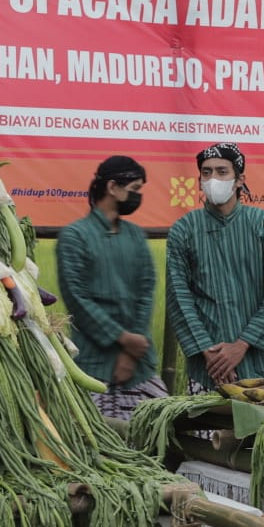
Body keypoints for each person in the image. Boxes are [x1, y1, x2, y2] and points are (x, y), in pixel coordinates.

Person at [165, 143, 264, 390]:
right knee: (206, 427)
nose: (213, 179)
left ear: (239, 180)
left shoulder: (263, 225)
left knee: (261, 429)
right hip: (207, 370)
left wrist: (242, 344)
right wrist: (210, 354)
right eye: (206, 173)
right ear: (199, 181)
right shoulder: (184, 230)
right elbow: (179, 298)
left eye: (222, 172)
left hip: (259, 364)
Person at [55, 156, 165, 420]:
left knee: (160, 432)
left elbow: (146, 291)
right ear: (113, 187)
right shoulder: (74, 236)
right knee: (95, 441)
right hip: (93, 362)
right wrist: (123, 338)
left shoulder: (135, 235)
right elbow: (77, 300)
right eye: (134, 189)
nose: (138, 196)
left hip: (139, 363)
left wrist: (132, 348)